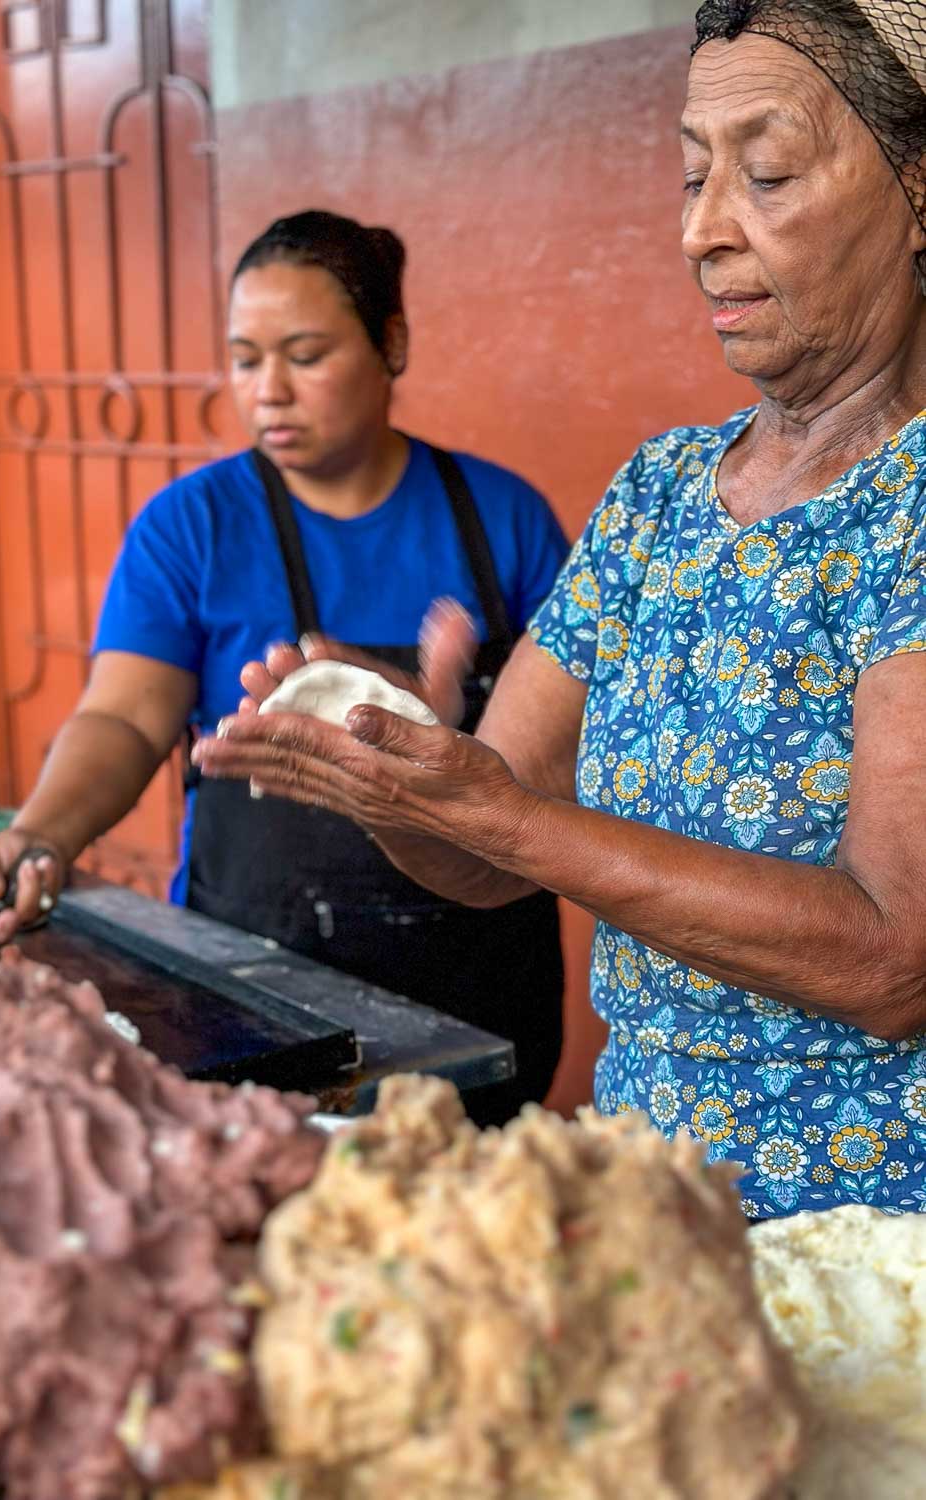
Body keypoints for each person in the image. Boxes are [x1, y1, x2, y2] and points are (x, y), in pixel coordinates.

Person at [194, 1, 926, 1219]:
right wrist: (394, 769)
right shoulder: (659, 493)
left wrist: (504, 818)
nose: (700, 229)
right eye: (693, 174)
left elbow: (895, 955)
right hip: (653, 1204)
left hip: (870, 1244)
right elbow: (486, 849)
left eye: (769, 173)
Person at [0, 210, 570, 1123]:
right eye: (245, 359)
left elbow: (556, 761)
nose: (267, 390)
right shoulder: (191, 527)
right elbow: (122, 718)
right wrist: (43, 831)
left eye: (305, 354)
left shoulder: (502, 521)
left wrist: (447, 731)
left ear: (389, 345)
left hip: (475, 998)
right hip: (252, 992)